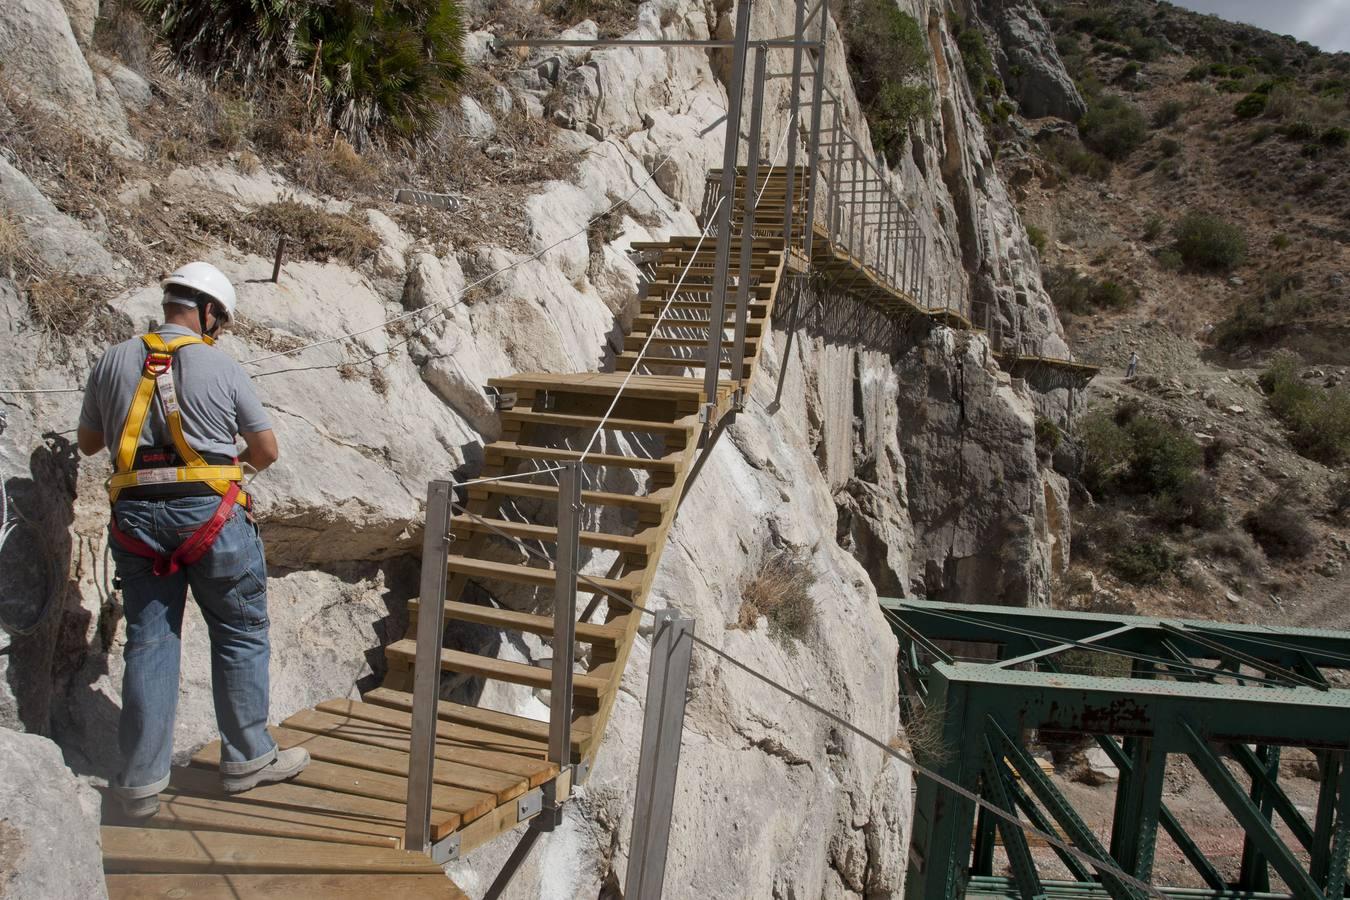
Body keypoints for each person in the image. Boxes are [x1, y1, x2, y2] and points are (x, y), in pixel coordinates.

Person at [77, 262, 308, 818]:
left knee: (150, 641)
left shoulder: (110, 360)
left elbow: (89, 443)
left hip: (135, 522)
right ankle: (248, 758)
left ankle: (138, 783)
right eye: (219, 320)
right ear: (207, 311)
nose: (219, 330)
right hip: (211, 520)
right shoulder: (218, 364)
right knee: (240, 631)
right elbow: (267, 450)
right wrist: (232, 469)